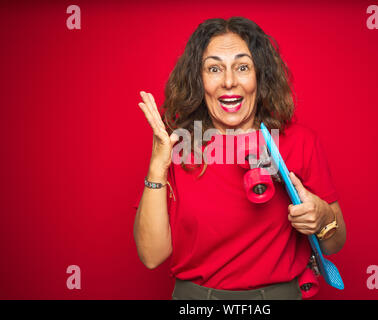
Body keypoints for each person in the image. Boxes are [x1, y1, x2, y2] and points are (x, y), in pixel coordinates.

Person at [133, 17, 346, 300]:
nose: (229, 81)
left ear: (260, 75)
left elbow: (334, 244)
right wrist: (157, 166)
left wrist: (321, 217)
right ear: (199, 80)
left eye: (242, 67)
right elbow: (151, 256)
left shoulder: (298, 142)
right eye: (214, 69)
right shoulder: (178, 145)